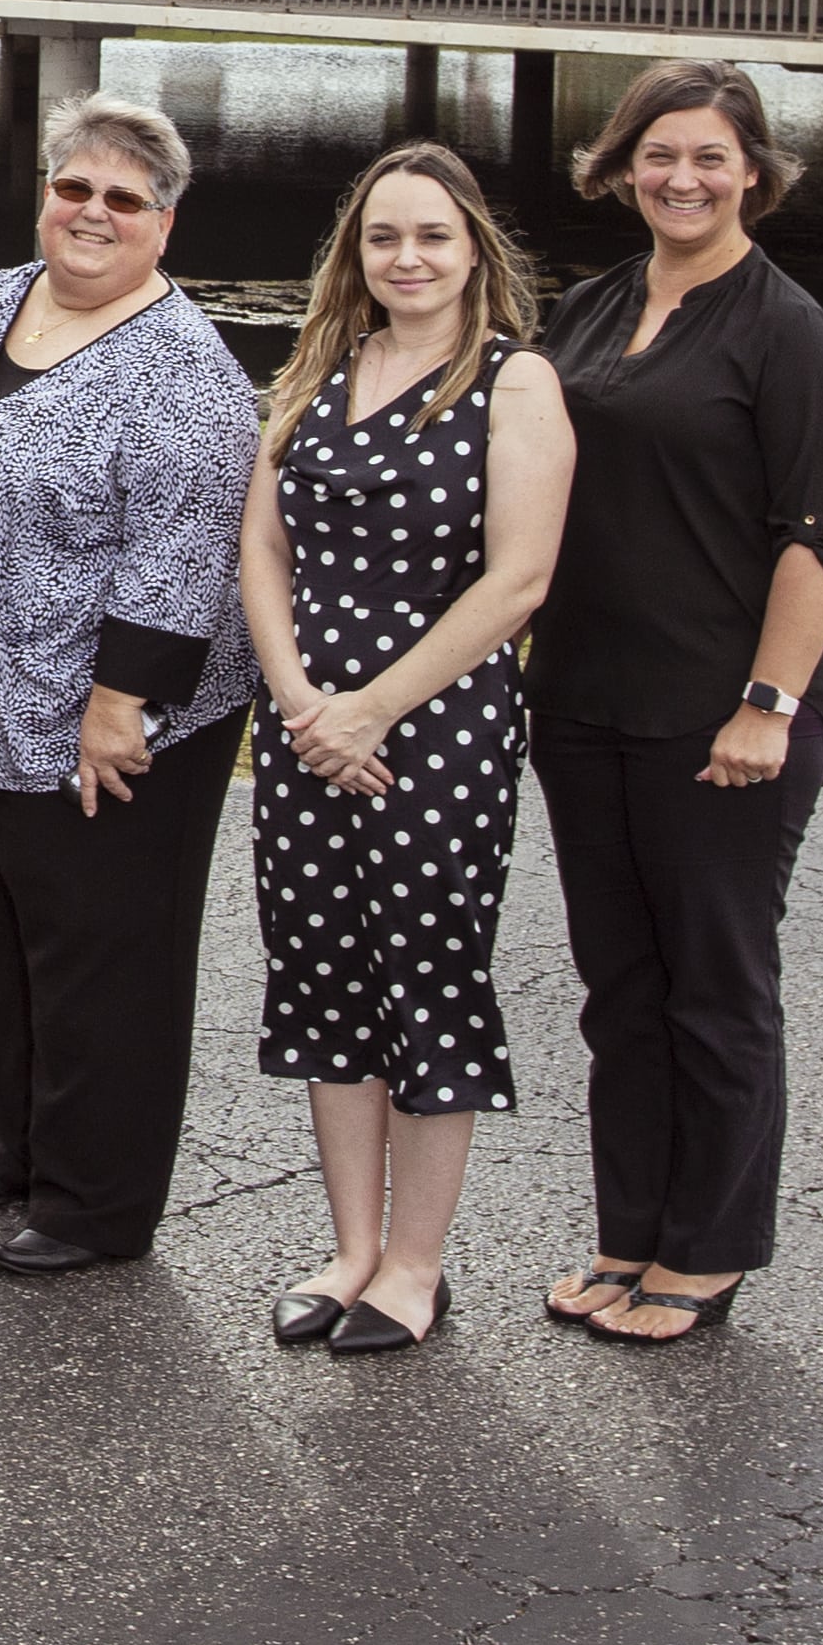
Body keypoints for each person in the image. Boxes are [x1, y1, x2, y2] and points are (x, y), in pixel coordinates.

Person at [0, 91, 259, 1275]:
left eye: (122, 199)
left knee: (102, 949)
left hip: (96, 713)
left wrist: (117, 706)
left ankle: (99, 1199)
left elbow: (186, 547)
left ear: (163, 224)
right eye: (72, 187)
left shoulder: (187, 368)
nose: (90, 213)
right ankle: (25, 1140)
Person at [529, 60, 823, 1345]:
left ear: (754, 174)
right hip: (584, 704)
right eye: (660, 154)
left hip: (723, 717)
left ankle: (708, 1251)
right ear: (623, 165)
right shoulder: (598, 306)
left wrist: (770, 704)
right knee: (619, 988)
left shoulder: (791, 332)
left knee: (714, 988)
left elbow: (815, 543)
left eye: (710, 158)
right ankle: (631, 1232)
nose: (682, 178)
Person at [239, 143, 573, 1353]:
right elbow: (263, 551)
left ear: (473, 247)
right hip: (306, 724)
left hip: (434, 728)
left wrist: (371, 707)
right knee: (323, 968)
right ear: (357, 252)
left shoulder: (513, 381)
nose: (408, 258)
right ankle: (351, 1248)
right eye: (385, 238)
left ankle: (416, 1266)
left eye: (432, 236)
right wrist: (296, 698)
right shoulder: (323, 364)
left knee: (427, 971)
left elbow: (519, 577)